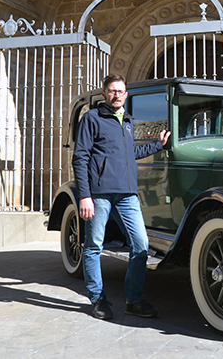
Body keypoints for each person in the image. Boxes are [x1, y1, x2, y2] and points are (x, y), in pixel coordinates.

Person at [72, 74, 171, 320]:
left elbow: (130, 153)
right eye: (112, 91)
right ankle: (98, 299)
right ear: (105, 94)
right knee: (94, 246)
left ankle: (134, 300)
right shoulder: (92, 118)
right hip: (100, 194)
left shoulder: (127, 121)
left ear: (126, 95)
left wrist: (157, 145)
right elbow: (80, 157)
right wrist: (85, 196)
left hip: (127, 194)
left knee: (141, 245)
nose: (117, 95)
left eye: (121, 91)